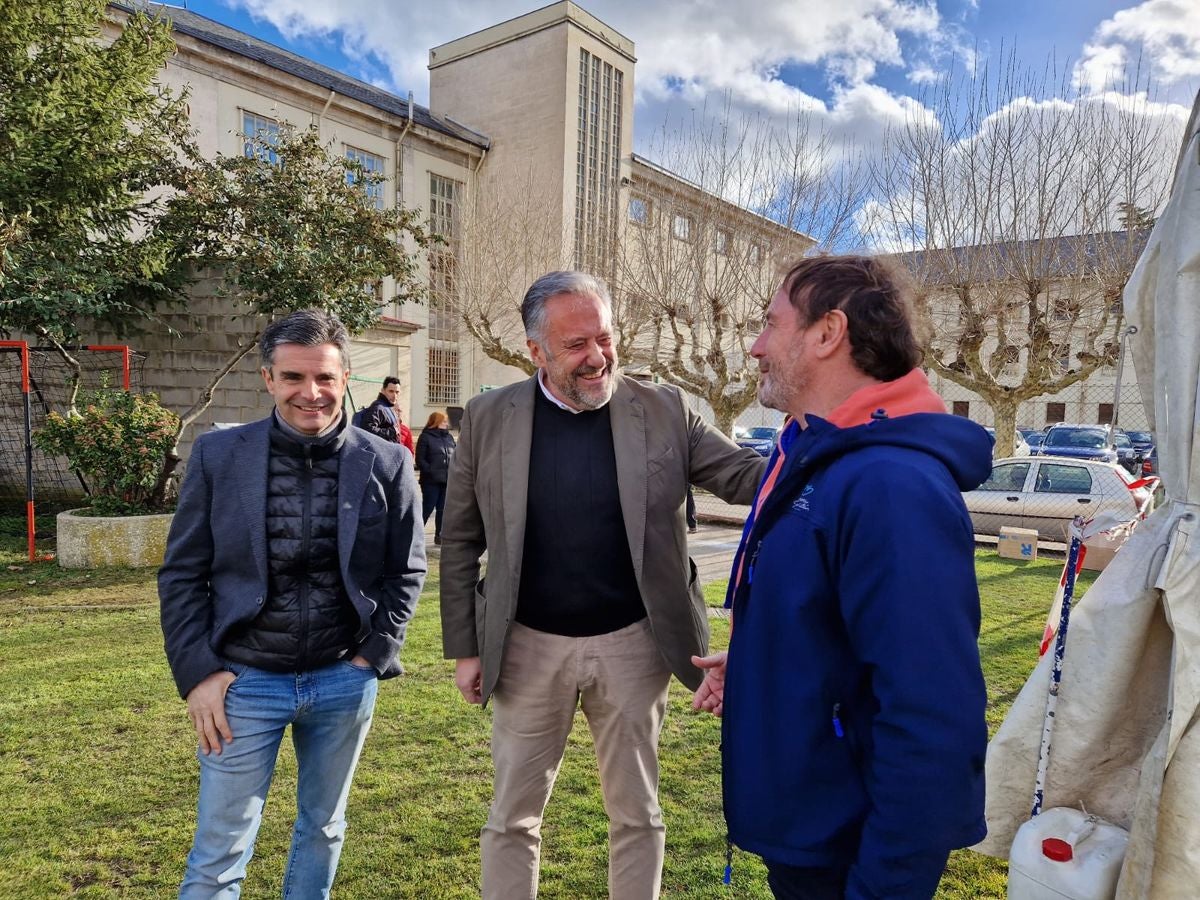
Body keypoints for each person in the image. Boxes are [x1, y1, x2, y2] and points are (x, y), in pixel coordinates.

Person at [439, 270, 765, 900]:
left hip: (636, 645)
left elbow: (751, 477)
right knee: (512, 818)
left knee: (637, 814)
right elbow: (460, 540)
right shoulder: (486, 418)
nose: (597, 358)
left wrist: (835, 435)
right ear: (536, 351)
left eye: (605, 338)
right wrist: (465, 647)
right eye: (576, 346)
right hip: (527, 646)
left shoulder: (664, 409)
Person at [692, 255, 992, 900]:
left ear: (828, 333)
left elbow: (932, 717)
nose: (754, 346)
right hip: (811, 825)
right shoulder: (816, 455)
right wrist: (760, 662)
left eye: (770, 325)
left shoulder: (890, 485)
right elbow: (826, 619)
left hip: (850, 850)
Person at [159, 309, 426, 898]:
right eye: (293, 377)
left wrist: (373, 657)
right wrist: (199, 674)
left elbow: (406, 569)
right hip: (243, 685)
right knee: (219, 848)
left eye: (325, 378)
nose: (312, 393)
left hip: (342, 682)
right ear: (268, 379)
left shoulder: (387, 461)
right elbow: (181, 574)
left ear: (345, 377)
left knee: (324, 829)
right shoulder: (218, 456)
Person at [414, 410, 456, 545]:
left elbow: (455, 456)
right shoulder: (425, 437)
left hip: (447, 479)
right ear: (436, 422)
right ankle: (415, 535)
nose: (446, 424)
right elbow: (420, 459)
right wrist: (430, 471)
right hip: (430, 481)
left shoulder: (449, 437)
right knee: (428, 507)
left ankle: (439, 537)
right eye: (444, 421)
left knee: (443, 509)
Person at [357, 375, 415, 455]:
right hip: (381, 457)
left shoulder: (388, 407)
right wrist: (391, 431)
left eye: (397, 392)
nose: (394, 396)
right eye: (391, 391)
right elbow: (367, 430)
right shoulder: (378, 408)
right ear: (383, 391)